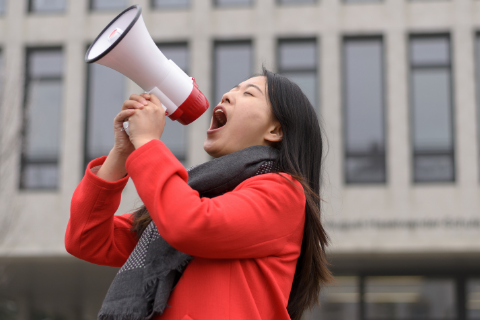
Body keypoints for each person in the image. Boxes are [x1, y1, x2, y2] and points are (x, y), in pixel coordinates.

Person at [65, 68, 332, 320]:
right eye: (233, 89)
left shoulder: (284, 192)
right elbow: (86, 238)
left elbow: (189, 223)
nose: (227, 94)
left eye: (248, 93)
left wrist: (147, 143)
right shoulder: (193, 197)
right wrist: (122, 152)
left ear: (275, 131)